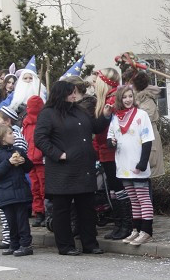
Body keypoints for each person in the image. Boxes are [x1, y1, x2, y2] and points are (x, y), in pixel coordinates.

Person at [34, 79, 113, 255]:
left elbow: (95, 127)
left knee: (86, 209)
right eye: (70, 92)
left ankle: (89, 243)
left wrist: (105, 115)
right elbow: (40, 138)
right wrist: (58, 154)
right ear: (61, 94)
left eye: (75, 92)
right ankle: (65, 245)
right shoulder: (48, 114)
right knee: (62, 210)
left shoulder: (80, 110)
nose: (74, 95)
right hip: (62, 170)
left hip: (83, 167)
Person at [107, 85, 156, 245]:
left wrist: (143, 162)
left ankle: (146, 230)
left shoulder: (141, 115)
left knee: (143, 199)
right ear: (119, 100)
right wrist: (111, 142)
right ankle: (136, 229)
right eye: (124, 97)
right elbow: (110, 137)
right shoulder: (115, 117)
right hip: (123, 165)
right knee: (133, 200)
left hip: (137, 164)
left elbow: (148, 140)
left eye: (130, 96)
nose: (128, 100)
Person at [91, 68, 131, 240]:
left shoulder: (114, 100)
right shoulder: (107, 99)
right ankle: (119, 224)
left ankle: (125, 225)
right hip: (105, 150)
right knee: (114, 189)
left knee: (119, 188)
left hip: (113, 151)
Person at [0, 125, 34, 256]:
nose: (13, 135)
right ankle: (14, 244)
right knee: (11, 221)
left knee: (22, 220)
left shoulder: (18, 150)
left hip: (20, 191)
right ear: (1, 138)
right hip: (5, 193)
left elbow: (29, 168)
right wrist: (9, 162)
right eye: (10, 133)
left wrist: (24, 161)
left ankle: (26, 244)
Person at [131, 69, 166, 181]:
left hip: (148, 142)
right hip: (140, 141)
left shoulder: (147, 101)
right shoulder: (138, 99)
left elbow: (141, 121)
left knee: (146, 178)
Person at [23, 95, 47, 227]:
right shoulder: (26, 122)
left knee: (44, 188)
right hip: (31, 160)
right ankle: (38, 212)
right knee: (35, 188)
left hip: (41, 160)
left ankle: (46, 212)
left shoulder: (42, 121)